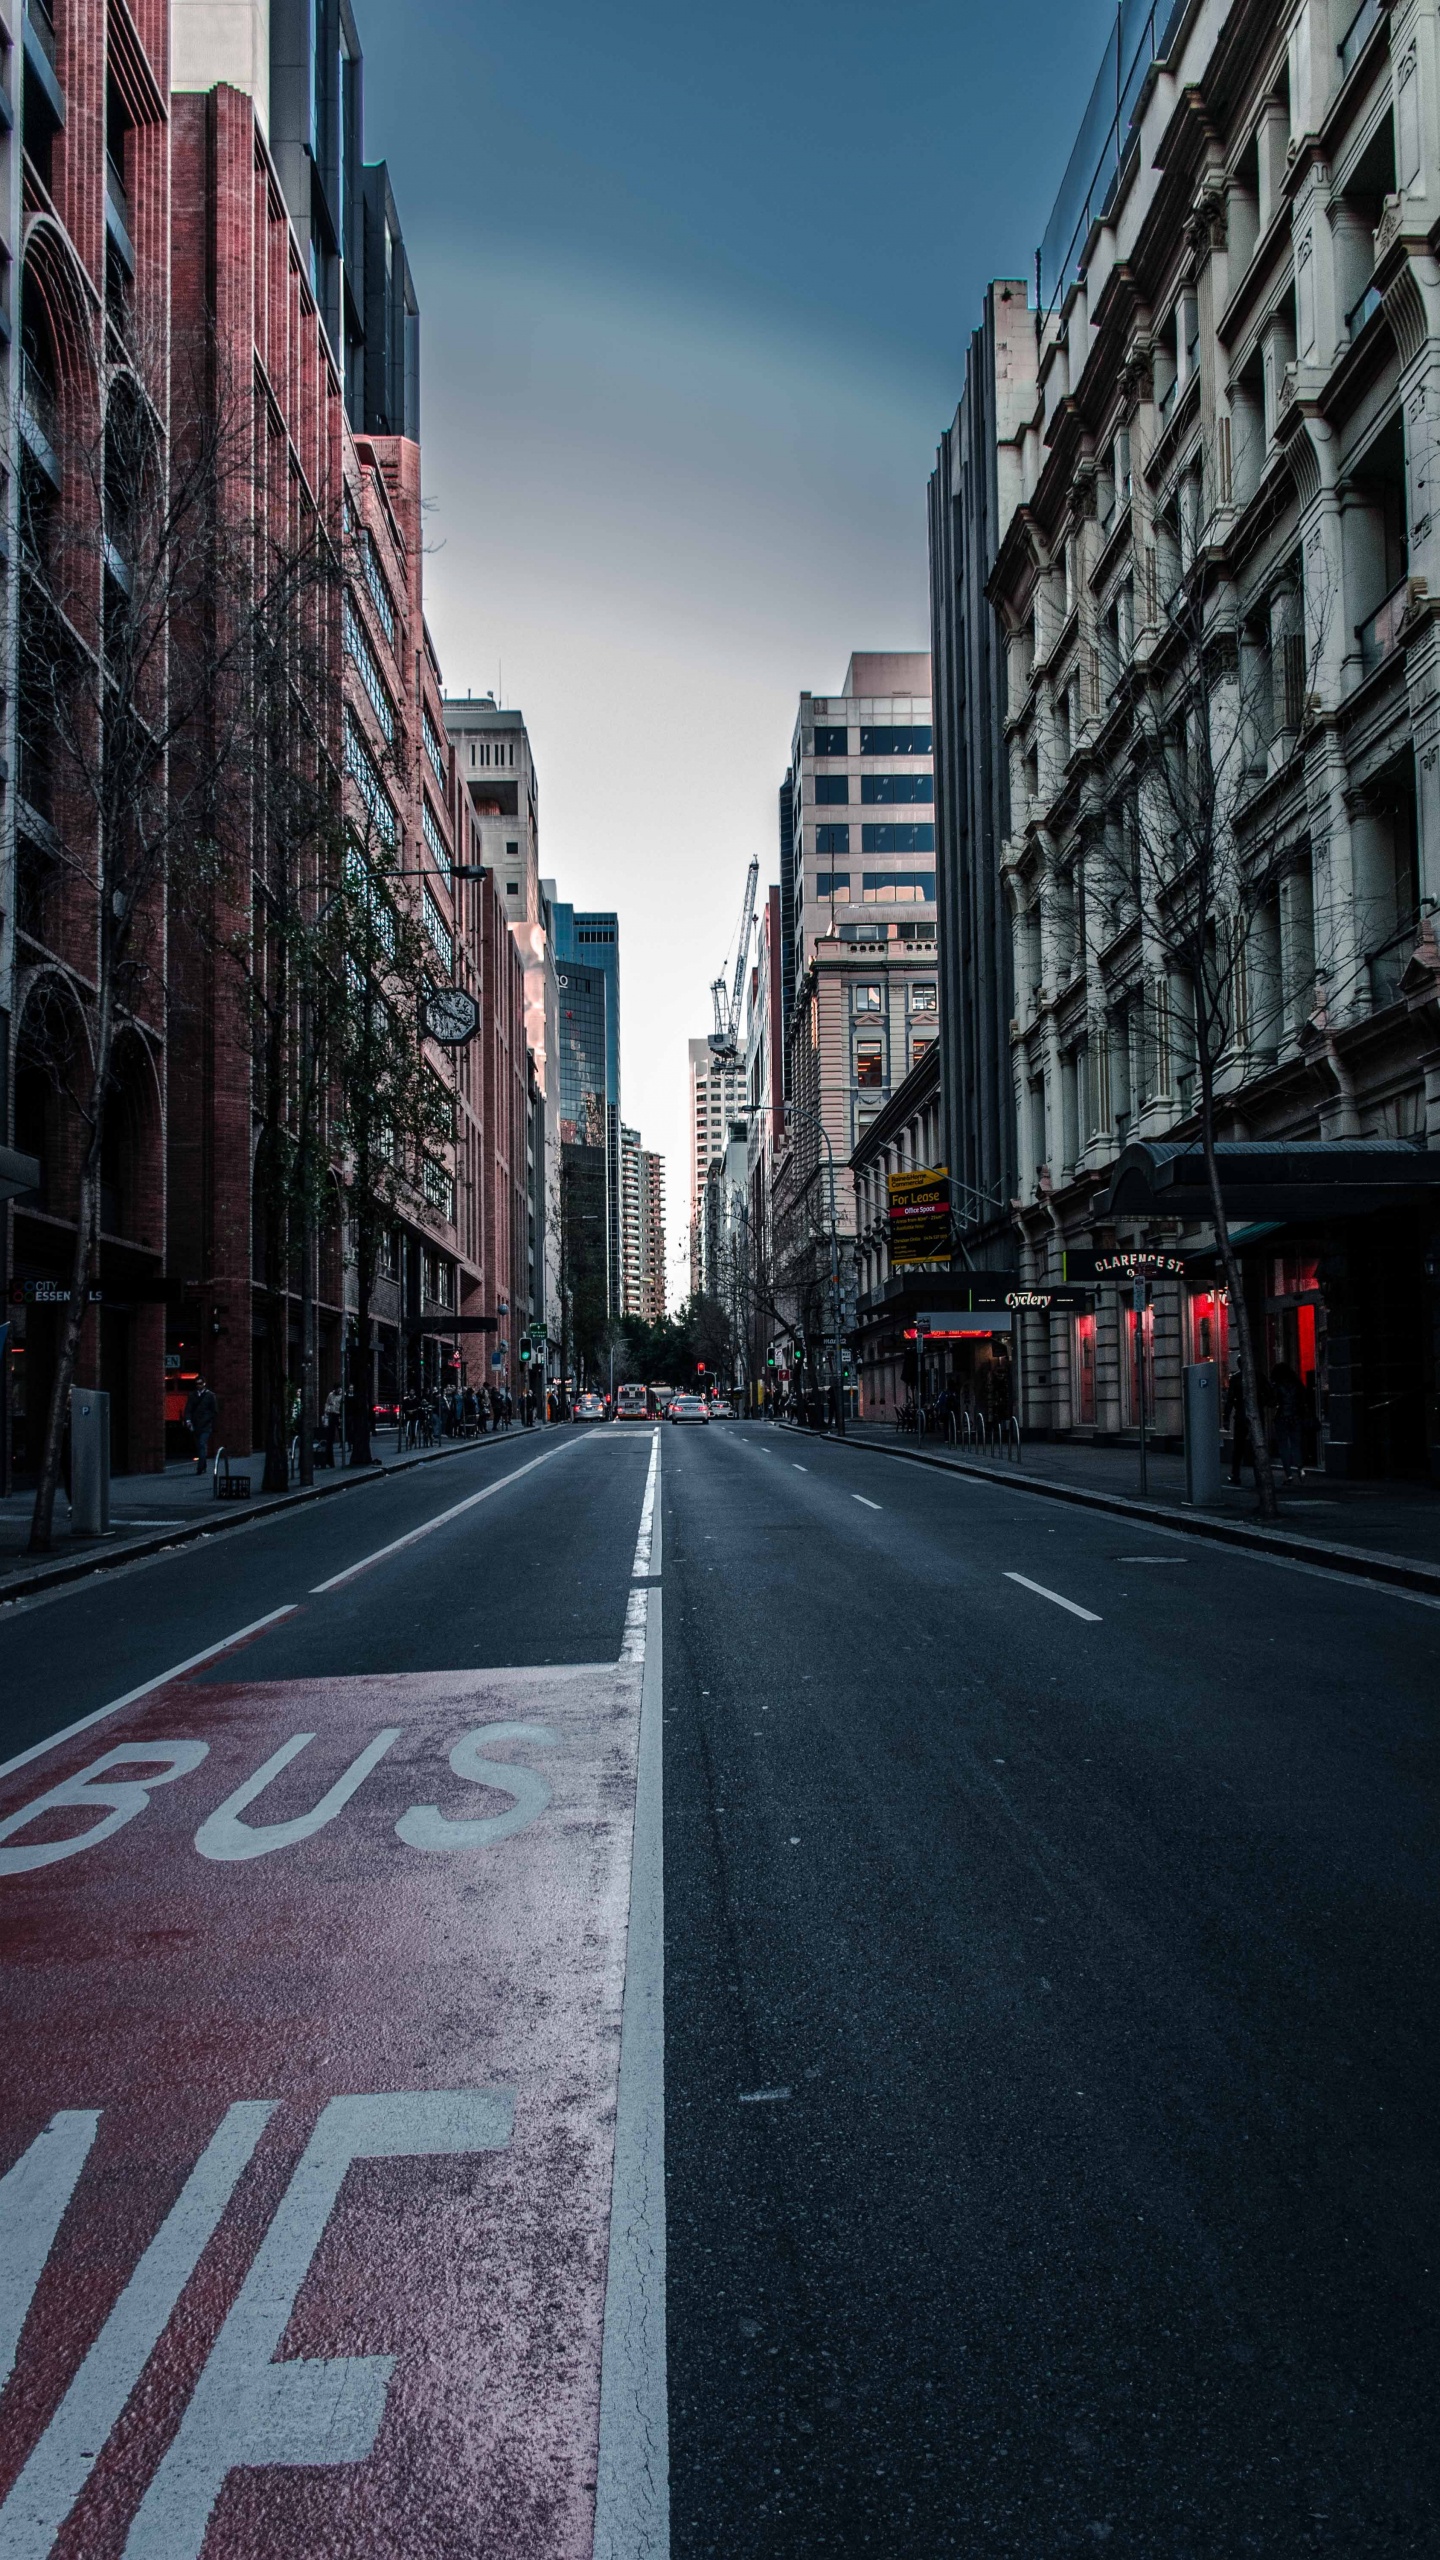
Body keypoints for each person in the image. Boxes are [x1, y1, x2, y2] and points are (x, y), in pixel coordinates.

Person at [1271, 1361, 1307, 1483]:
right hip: (1295, 1416)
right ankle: (1300, 1469)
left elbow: (1272, 1401)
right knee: (1296, 1444)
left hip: (1282, 1417)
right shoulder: (1296, 1384)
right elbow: (1303, 1398)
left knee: (1283, 1446)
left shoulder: (1277, 1385)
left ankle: (1289, 1474)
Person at [185, 1376, 218, 1475]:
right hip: (195, 1425)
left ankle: (200, 1468)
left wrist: (207, 1420)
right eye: (197, 1384)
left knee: (202, 1444)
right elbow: (188, 1409)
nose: (198, 1386)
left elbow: (214, 1411)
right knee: (199, 1446)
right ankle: (203, 1465)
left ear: (204, 1384)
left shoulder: (210, 1395)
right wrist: (188, 1421)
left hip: (205, 1426)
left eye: (200, 1383)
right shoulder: (192, 1395)